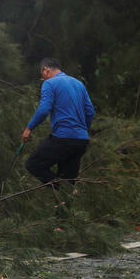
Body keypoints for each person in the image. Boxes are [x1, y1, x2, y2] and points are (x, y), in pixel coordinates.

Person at [21, 58, 95, 192]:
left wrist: (29, 128)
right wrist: (82, 130)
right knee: (66, 187)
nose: (43, 78)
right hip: (81, 141)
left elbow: (44, 109)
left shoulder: (50, 83)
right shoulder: (79, 84)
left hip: (63, 138)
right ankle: (66, 194)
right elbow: (90, 111)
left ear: (46, 70)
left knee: (33, 164)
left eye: (42, 74)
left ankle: (63, 189)